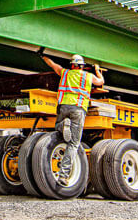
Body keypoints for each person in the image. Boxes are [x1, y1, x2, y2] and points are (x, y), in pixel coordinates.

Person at [41, 52, 104, 183]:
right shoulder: (88, 76)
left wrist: (43, 56)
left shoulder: (65, 73)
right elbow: (100, 82)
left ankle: (63, 126)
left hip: (64, 106)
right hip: (78, 109)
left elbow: (53, 65)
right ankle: (63, 176)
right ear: (82, 66)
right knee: (73, 144)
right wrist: (97, 70)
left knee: (58, 128)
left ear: (72, 65)